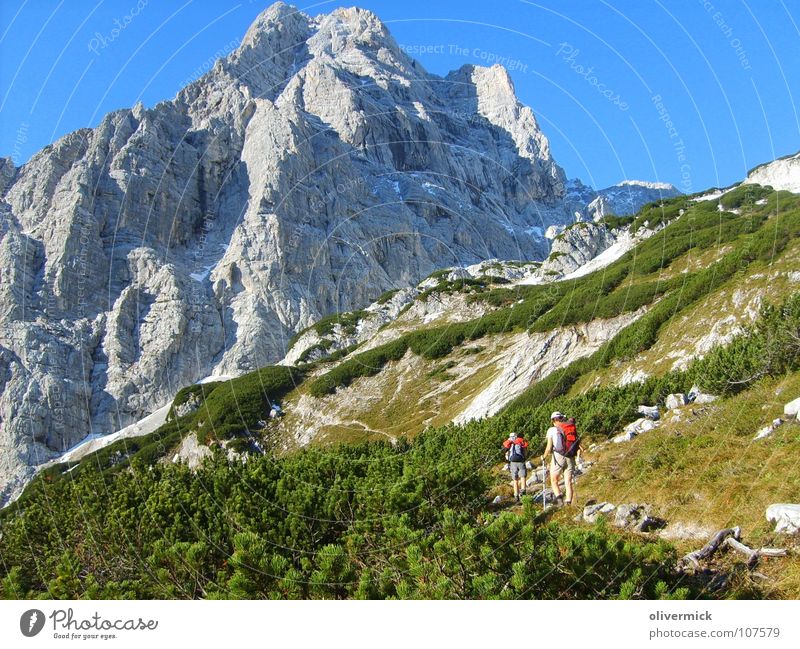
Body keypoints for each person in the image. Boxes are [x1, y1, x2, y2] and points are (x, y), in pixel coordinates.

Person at [542, 411, 580, 506]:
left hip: (559, 456)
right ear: (562, 418)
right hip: (570, 457)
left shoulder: (552, 430)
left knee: (554, 480)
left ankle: (559, 499)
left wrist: (544, 456)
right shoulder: (569, 428)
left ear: (553, 420)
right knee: (568, 482)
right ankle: (568, 503)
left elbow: (549, 447)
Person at [502, 432, 529, 501]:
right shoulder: (521, 441)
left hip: (513, 462)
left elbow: (505, 452)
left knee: (515, 480)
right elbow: (525, 451)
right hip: (521, 461)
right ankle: (523, 492)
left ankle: (516, 496)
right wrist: (524, 458)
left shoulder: (508, 442)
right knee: (522, 477)